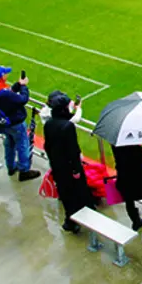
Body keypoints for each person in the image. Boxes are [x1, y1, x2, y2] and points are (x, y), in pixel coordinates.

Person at [43, 91, 92, 234]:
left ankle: (70, 220)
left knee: (65, 193)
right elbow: (73, 151)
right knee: (78, 191)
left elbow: (48, 146)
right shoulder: (67, 126)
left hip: (57, 165)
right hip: (69, 166)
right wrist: (76, 170)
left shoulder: (49, 123)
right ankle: (81, 216)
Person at [0, 66, 40, 181]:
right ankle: (24, 170)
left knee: (9, 143)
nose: (7, 75)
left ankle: (11, 167)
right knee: (22, 145)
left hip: (4, 123)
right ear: (2, 76)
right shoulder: (3, 93)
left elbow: (8, 92)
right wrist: (24, 87)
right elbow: (22, 99)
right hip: (14, 122)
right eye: (5, 73)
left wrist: (18, 84)